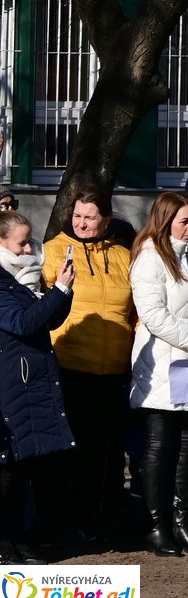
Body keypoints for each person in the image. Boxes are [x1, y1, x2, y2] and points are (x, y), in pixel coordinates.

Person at [128, 191, 188, 558]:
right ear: (166, 221)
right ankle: (157, 525)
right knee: (159, 444)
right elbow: (153, 314)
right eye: (185, 221)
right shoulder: (149, 258)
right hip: (162, 364)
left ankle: (182, 522)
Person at [44, 187, 134, 542]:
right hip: (70, 365)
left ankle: (99, 517)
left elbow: (136, 311)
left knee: (105, 451)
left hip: (114, 370)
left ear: (106, 220)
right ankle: (64, 521)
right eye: (77, 216)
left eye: (90, 217)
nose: (81, 223)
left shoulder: (124, 256)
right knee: (72, 451)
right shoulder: (53, 250)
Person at [0, 211, 74, 562]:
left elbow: (49, 319)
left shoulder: (24, 277)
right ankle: (4, 544)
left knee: (24, 467)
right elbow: (22, 322)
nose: (30, 249)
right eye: (22, 243)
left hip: (28, 381)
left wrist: (64, 290)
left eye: (30, 241)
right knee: (7, 469)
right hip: (9, 383)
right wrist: (58, 291)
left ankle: (21, 537)